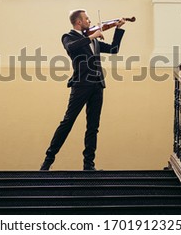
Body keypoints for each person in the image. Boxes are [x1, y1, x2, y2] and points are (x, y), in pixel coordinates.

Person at [40, 9, 126, 171]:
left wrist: (119, 29)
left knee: (93, 126)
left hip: (97, 84)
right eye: (87, 18)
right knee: (68, 121)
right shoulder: (69, 37)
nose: (90, 21)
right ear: (78, 22)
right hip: (81, 84)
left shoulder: (93, 42)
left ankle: (89, 165)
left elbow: (114, 50)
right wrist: (92, 37)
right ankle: (48, 161)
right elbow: (72, 48)